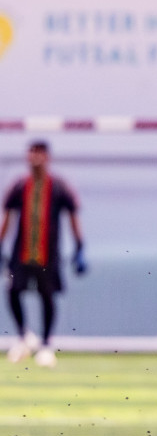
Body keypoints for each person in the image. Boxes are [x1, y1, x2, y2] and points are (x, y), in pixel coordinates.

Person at [2, 141, 85, 367]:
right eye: (31, 153)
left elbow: (73, 215)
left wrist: (80, 246)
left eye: (39, 153)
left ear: (47, 157)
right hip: (21, 253)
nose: (35, 157)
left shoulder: (58, 187)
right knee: (12, 291)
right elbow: (7, 218)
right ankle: (23, 336)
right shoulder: (20, 186)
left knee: (47, 296)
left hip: (48, 254)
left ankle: (46, 344)